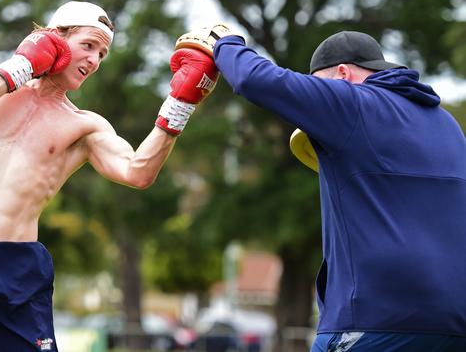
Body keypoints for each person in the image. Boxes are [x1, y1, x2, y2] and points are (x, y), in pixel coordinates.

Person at [0, 1, 218, 352]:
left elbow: (137, 172)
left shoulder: (83, 124)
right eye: (89, 46)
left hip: (15, 266)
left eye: (102, 54)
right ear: (56, 39)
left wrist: (179, 105)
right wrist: (24, 64)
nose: (95, 61)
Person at [180, 27, 466, 351]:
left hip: (373, 322)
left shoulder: (353, 104)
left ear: (343, 74)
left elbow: (254, 80)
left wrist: (223, 44)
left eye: (317, 84)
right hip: (454, 325)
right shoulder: (447, 126)